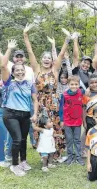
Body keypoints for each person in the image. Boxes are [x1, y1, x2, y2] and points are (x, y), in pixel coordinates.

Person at [23, 24, 71, 159]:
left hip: (54, 102)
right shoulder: (36, 69)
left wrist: (67, 39)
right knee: (42, 126)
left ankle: (57, 153)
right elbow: (30, 52)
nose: (46, 59)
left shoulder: (54, 70)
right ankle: (44, 153)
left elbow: (61, 54)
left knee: (55, 127)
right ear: (41, 60)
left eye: (48, 58)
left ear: (51, 61)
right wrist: (25, 35)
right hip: (40, 102)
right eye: (44, 57)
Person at [0, 30, 36, 153]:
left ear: (24, 58)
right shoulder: (9, 66)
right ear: (14, 58)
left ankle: (33, 144)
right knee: (12, 130)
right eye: (16, 56)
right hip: (12, 105)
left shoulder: (29, 69)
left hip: (27, 103)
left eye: (21, 56)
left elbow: (33, 87)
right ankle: (9, 151)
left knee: (29, 126)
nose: (19, 58)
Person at [0, 40, 38, 176]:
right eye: (17, 70)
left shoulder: (29, 83)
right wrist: (9, 49)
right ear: (13, 72)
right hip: (10, 114)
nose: (20, 72)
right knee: (16, 139)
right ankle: (14, 165)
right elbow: (3, 65)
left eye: (22, 70)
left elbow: (35, 100)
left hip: (25, 114)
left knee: (23, 139)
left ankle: (23, 161)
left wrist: (35, 114)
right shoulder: (8, 82)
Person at [59, 75, 85, 166]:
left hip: (77, 121)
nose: (74, 86)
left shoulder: (82, 92)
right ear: (68, 84)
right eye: (72, 84)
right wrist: (62, 120)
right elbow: (61, 108)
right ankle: (70, 157)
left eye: (76, 84)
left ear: (79, 85)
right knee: (69, 139)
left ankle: (78, 157)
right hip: (67, 121)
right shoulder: (64, 95)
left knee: (77, 140)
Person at [82, 74, 97, 157]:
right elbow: (84, 109)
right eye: (91, 83)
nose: (94, 84)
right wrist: (84, 121)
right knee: (91, 135)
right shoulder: (87, 95)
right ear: (88, 84)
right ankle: (90, 151)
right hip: (90, 118)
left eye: (96, 82)